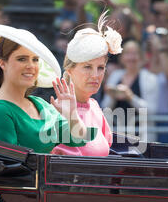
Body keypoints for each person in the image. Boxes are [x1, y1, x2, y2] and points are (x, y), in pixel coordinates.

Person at [0, 24, 96, 153]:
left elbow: (79, 138)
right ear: (2, 63)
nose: (31, 66)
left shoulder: (39, 104)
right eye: (22, 59)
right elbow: (8, 165)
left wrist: (71, 114)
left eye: (35, 59)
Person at [51, 11, 122, 156]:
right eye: (87, 67)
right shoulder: (59, 109)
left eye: (100, 68)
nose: (95, 75)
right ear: (70, 70)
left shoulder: (94, 106)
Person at [101, 40, 159, 142]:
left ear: (141, 57)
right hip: (116, 136)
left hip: (141, 138)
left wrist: (130, 97)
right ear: (122, 57)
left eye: (134, 53)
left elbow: (152, 111)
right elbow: (105, 108)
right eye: (127, 53)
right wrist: (111, 95)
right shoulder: (115, 76)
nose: (131, 58)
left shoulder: (150, 78)